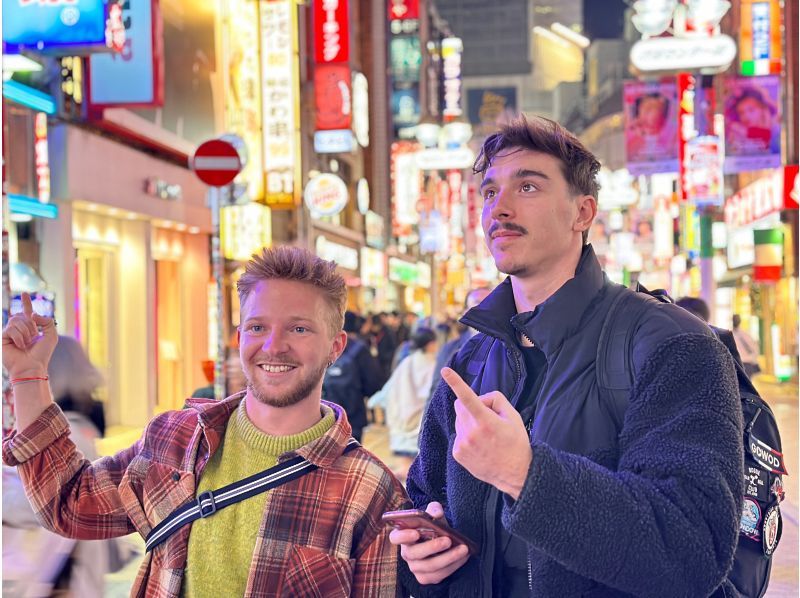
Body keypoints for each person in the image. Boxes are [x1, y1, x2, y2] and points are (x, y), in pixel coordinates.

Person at [391, 115, 743, 596]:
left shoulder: (672, 345)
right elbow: (426, 500)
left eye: (529, 187)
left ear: (583, 212)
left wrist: (525, 473)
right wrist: (422, 559)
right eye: (490, 192)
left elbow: (692, 551)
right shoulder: (469, 361)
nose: (500, 209)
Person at [2, 246, 409, 597]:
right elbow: (68, 504)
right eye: (257, 327)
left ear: (335, 346)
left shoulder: (369, 491)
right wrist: (28, 376)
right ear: (239, 337)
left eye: (299, 328)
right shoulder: (175, 440)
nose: (274, 345)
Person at [383, 327, 439, 482]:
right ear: (430, 344)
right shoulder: (434, 364)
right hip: (422, 421)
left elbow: (393, 391)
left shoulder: (406, 362)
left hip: (403, 419)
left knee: (406, 469)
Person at [322, 310, 384, 441]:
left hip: (323, 415)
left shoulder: (323, 344)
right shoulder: (359, 348)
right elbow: (373, 383)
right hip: (353, 416)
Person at [429, 287, 493, 397]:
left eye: (490, 302)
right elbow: (436, 391)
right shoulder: (450, 349)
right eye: (477, 303)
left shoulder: (510, 349)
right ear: (466, 311)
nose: (485, 307)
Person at [725, 85, 780, 155]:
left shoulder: (776, 131)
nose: (746, 116)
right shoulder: (735, 130)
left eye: (751, 110)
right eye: (741, 113)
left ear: (763, 109)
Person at [732, 314, 761, 378]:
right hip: (745, 364)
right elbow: (755, 348)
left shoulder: (729, 335)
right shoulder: (745, 334)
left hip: (738, 364)